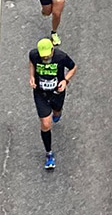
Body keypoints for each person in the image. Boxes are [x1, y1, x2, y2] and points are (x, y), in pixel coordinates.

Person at [29, 38, 76, 170]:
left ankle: (57, 112)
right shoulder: (34, 54)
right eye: (42, 57)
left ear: (52, 50)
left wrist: (66, 81)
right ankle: (49, 153)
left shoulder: (61, 57)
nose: (45, 58)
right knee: (45, 123)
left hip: (57, 92)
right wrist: (32, 77)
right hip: (40, 93)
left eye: (47, 56)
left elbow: (73, 67)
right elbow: (32, 63)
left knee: (57, 111)